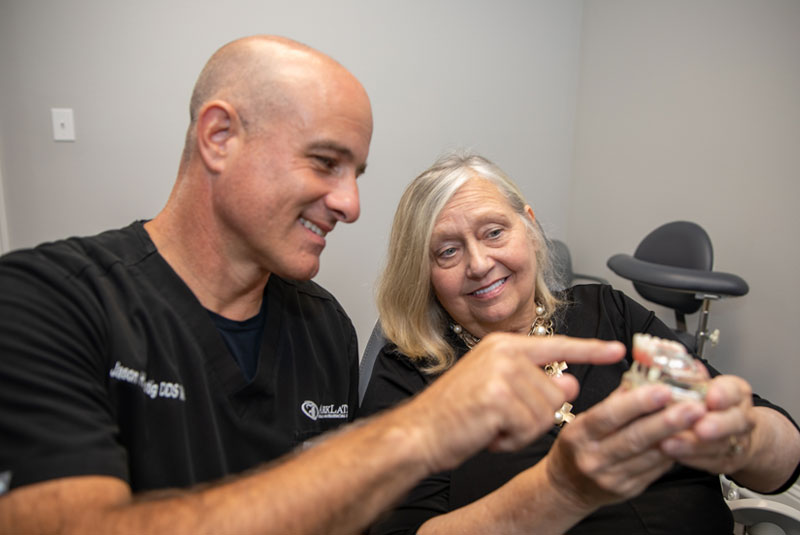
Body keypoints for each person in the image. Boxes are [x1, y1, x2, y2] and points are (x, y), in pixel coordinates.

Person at [0, 37, 631, 534]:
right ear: (220, 137)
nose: (351, 203)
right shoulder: (48, 302)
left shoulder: (321, 325)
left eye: (356, 172)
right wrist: (417, 431)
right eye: (326, 163)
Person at [358, 151, 800, 534]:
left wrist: (741, 438)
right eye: (448, 252)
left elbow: (780, 459)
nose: (479, 263)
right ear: (423, 271)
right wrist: (559, 490)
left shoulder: (609, 313)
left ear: (529, 229)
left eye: (494, 232)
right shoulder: (410, 374)